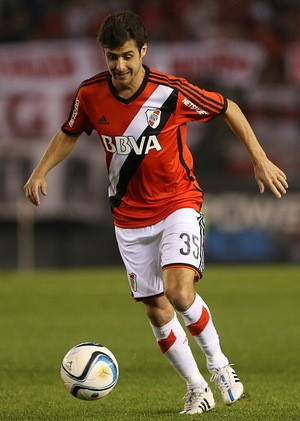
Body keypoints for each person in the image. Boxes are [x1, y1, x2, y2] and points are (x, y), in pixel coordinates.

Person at [24, 10, 288, 415]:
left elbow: (229, 107)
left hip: (178, 201)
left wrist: (258, 157)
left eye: (128, 55)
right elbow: (69, 132)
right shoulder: (90, 94)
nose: (120, 65)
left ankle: (220, 366)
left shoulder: (171, 91)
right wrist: (41, 170)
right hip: (129, 216)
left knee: (180, 292)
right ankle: (197, 387)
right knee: (156, 307)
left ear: (143, 51)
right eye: (112, 56)